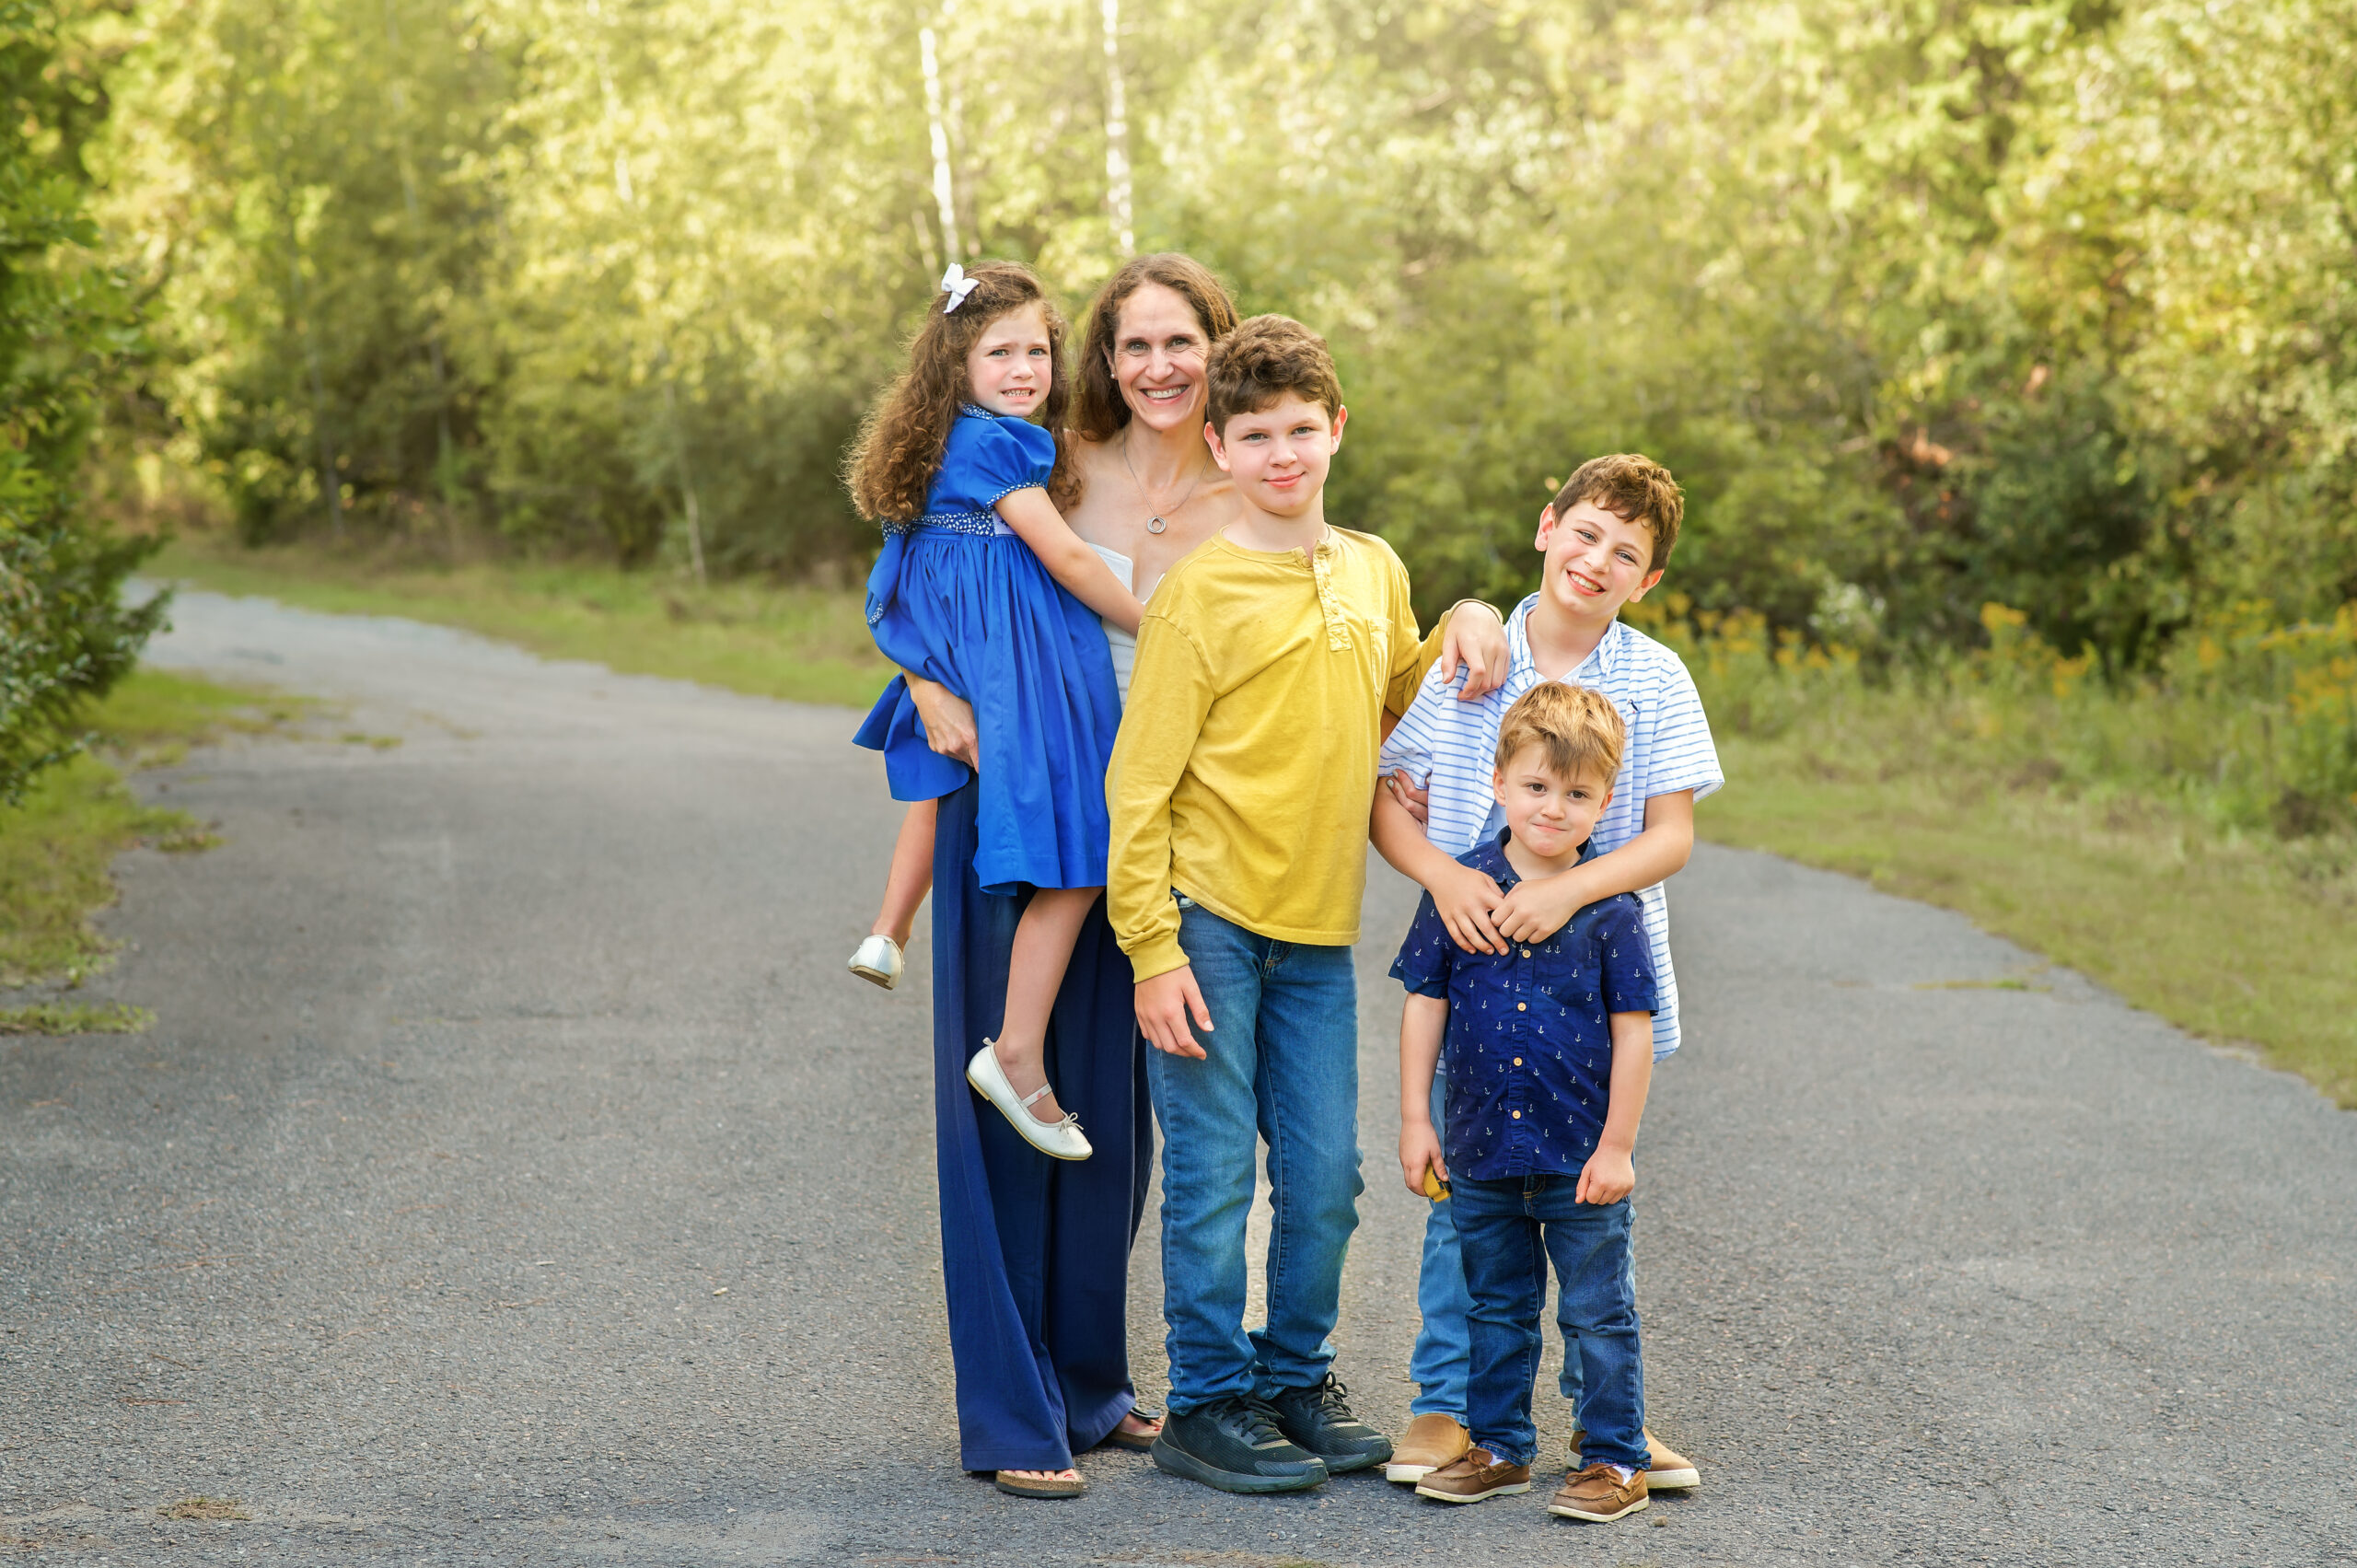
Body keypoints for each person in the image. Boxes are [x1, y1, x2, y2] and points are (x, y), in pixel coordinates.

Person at [1107, 315, 1424, 1495]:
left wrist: (1479, 624)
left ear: (1335, 430)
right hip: (1206, 919)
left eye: (1301, 429)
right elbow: (1136, 783)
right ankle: (1205, 1400)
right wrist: (1150, 947)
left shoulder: (1372, 567)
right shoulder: (1197, 595)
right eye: (1255, 434)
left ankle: (1293, 1376)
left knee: (1327, 1174)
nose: (1282, 453)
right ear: (1220, 446)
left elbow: (1406, 688)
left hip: (1316, 928)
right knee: (1211, 1179)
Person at [1370, 452, 1719, 1491]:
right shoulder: (1472, 657)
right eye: (1586, 533)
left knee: (1586, 1211)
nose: (1598, 560)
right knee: (1467, 1207)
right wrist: (1440, 874)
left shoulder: (1655, 677)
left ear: (1646, 579)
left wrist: (1570, 890)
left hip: (1592, 979)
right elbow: (1390, 794)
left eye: (1627, 552)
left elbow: (1669, 835)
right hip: (1477, 981)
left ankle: (1608, 1426)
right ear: (1545, 527)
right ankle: (1452, 1409)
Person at [847, 261, 1141, 1163]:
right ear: (956, 363)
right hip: (1020, 676)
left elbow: (895, 584)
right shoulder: (1000, 447)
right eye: (999, 351)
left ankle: (889, 929)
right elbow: (1071, 562)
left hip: (969, 665)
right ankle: (1015, 1052)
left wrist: (924, 676)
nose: (1024, 368)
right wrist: (1166, 624)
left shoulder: (938, 449)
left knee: (956, 802)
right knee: (1082, 852)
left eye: (1037, 350)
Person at [1392, 682, 1659, 1523]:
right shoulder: (1459, 890)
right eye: (1537, 786)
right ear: (1500, 782)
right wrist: (1413, 1119)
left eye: (1577, 794)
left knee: (1595, 1311)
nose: (1554, 807)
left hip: (1581, 1158)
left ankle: (1615, 1458)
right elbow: (1424, 1002)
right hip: (1478, 1150)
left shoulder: (1611, 910)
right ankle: (1501, 1446)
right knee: (1494, 1309)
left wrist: (1617, 1145)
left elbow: (1634, 1033)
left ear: (1603, 802)